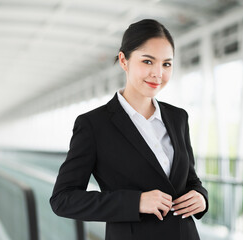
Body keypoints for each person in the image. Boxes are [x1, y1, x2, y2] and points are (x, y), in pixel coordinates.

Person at [50, 19, 208, 240]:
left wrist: (201, 197)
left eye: (166, 64)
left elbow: (190, 180)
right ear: (124, 60)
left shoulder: (178, 117)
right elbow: (62, 199)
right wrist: (136, 202)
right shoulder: (94, 125)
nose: (158, 74)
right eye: (147, 61)